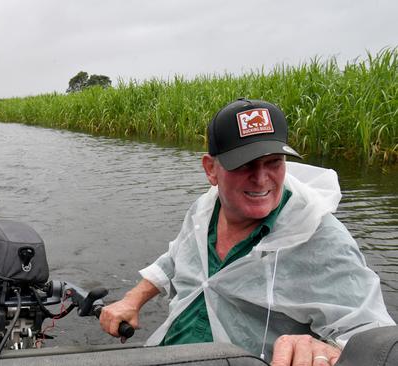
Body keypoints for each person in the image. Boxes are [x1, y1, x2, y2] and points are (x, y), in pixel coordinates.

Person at [99, 98, 395, 366]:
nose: (261, 179)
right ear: (210, 170)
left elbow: (371, 334)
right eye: (244, 164)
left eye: (273, 163)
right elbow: (175, 258)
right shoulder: (205, 209)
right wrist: (132, 299)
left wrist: (324, 347)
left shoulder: (320, 237)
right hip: (168, 353)